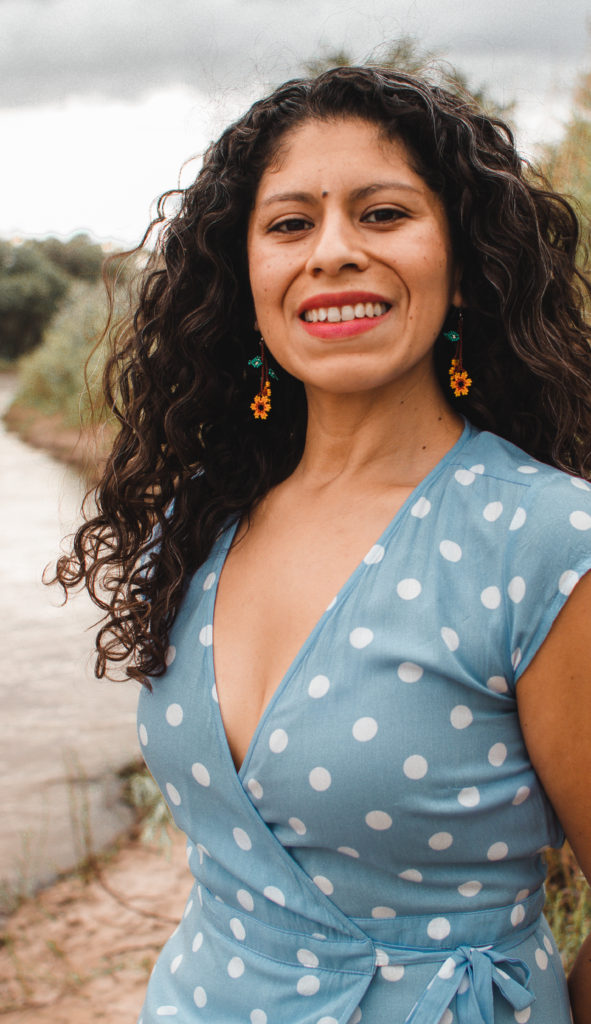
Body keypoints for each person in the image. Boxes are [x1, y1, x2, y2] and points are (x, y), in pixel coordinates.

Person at [55, 66, 591, 1023]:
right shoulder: (197, 523)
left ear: (461, 265)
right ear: (248, 276)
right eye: (291, 224)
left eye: (382, 214)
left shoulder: (545, 543)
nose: (333, 251)